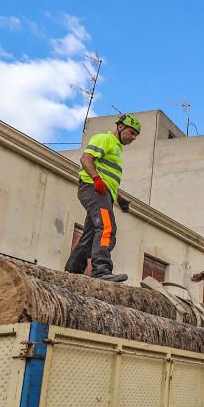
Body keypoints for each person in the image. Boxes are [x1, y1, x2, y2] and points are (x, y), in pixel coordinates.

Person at [64, 114, 140, 282]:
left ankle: (72, 271)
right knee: (107, 227)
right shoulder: (105, 139)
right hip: (93, 189)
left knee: (90, 235)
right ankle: (101, 270)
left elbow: (108, 179)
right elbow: (86, 159)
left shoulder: (117, 149)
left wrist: (119, 198)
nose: (133, 138)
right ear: (120, 128)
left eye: (136, 135)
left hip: (103, 193)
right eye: (131, 132)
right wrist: (96, 179)